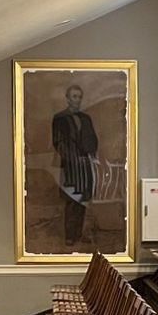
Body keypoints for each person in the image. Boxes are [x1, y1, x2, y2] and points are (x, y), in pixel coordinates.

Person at [51, 83, 100, 250]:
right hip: (70, 166)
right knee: (71, 200)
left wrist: (90, 154)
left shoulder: (86, 118)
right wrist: (73, 158)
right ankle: (70, 236)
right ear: (67, 98)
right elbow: (58, 142)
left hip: (85, 164)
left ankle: (79, 234)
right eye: (74, 96)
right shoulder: (59, 118)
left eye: (79, 97)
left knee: (82, 200)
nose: (77, 100)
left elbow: (92, 139)